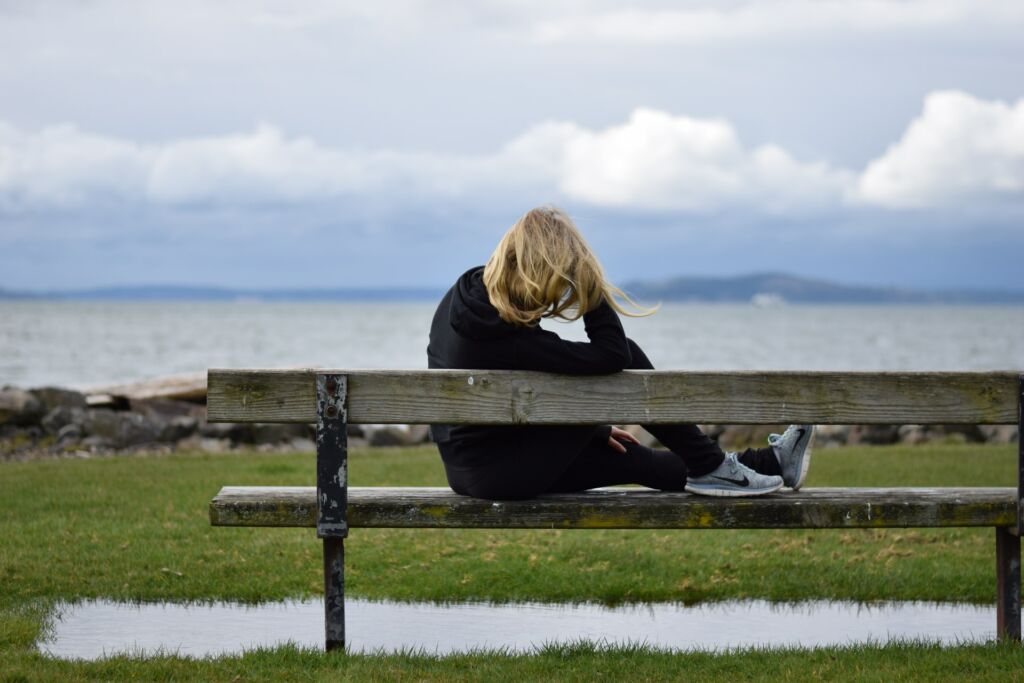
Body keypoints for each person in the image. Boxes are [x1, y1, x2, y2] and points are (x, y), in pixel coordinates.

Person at [427, 205, 814, 501]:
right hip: (500, 474)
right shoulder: (502, 335)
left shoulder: (470, 295)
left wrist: (589, 429)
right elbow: (614, 355)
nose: (556, 296)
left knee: (635, 458)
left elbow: (540, 380)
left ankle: (772, 464)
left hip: (475, 465)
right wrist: (591, 285)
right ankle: (712, 465)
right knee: (628, 353)